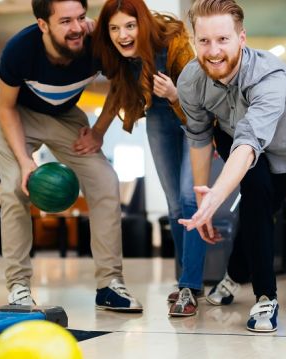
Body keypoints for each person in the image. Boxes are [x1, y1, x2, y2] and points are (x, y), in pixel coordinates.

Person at [0, 0, 143, 312]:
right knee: (16, 186)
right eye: (66, 21)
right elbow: (5, 107)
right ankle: (18, 287)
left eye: (81, 17)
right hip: (16, 115)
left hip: (65, 115)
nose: (77, 28)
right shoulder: (20, 49)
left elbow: (122, 83)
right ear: (43, 25)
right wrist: (26, 161)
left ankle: (110, 284)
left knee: (104, 179)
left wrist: (98, 130)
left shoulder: (97, 40)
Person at [176, 0, 286, 332]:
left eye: (223, 39)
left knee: (257, 210)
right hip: (231, 135)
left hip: (282, 151)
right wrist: (202, 194)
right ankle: (266, 297)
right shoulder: (191, 80)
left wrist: (215, 199)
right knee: (255, 193)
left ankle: (235, 274)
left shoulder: (270, 75)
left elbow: (251, 144)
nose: (213, 50)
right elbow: (198, 135)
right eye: (204, 41)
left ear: (242, 38)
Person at [75, 0, 205, 317]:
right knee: (174, 204)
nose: (122, 35)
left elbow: (200, 97)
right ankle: (184, 280)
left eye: (129, 26)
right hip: (158, 119)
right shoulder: (119, 55)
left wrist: (175, 94)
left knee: (191, 198)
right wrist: (99, 132)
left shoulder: (173, 41)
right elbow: (118, 90)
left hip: (193, 118)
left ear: (142, 24)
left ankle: (190, 286)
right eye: (115, 28)